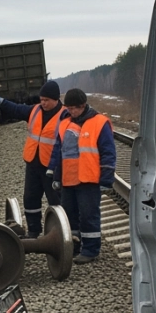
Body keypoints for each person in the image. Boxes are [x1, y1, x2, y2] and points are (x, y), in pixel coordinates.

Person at [0, 80, 66, 236]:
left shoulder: (65, 115)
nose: (43, 103)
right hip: (33, 163)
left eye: (47, 100)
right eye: (41, 99)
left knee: (56, 200)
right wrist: (0, 101)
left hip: (52, 166)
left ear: (56, 99)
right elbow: (16, 109)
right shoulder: (34, 110)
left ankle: (60, 231)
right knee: (30, 198)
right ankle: (33, 230)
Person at [49, 88, 116, 264]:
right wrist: (56, 177)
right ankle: (73, 247)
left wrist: (106, 179)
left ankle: (91, 249)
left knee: (88, 215)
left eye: (74, 108)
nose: (71, 112)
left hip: (89, 179)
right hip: (68, 179)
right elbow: (59, 152)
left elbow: (108, 152)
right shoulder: (64, 123)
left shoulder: (100, 123)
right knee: (69, 214)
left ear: (83, 105)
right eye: (68, 108)